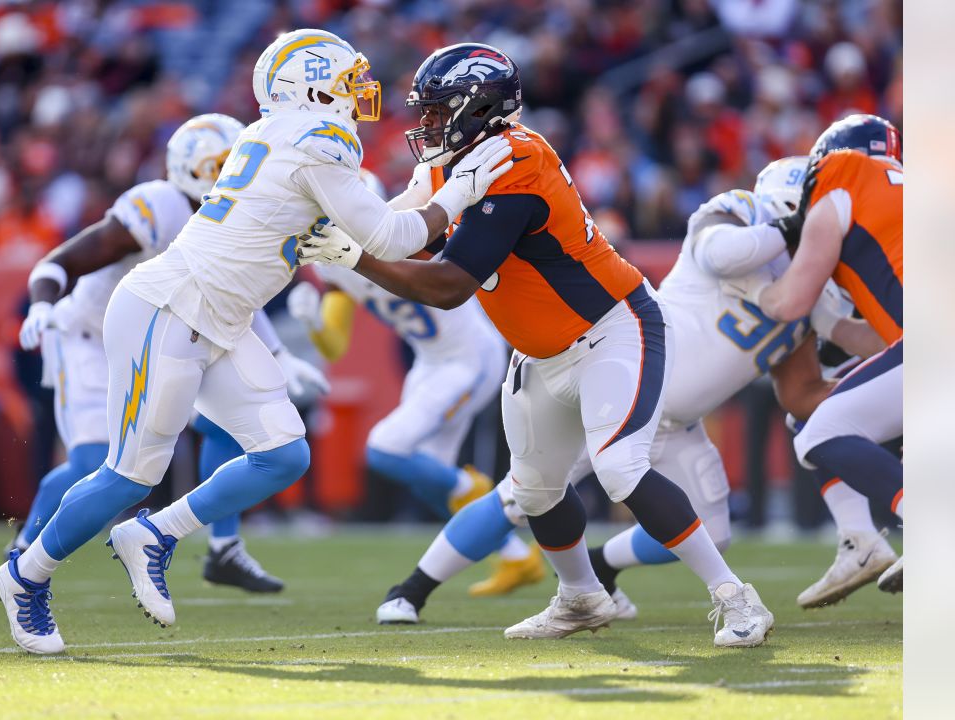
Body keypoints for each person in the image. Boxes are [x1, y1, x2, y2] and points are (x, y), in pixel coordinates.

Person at [0, 28, 514, 654]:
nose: (360, 92)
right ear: (312, 87)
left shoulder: (281, 135)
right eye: (348, 81)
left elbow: (381, 221)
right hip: (170, 306)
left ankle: (155, 536)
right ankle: (25, 575)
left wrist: (436, 178)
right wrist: (461, 186)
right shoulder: (321, 142)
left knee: (284, 453)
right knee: (129, 473)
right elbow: (397, 239)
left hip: (220, 316)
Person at [300, 43, 773, 647]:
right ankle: (579, 598)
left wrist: (352, 258)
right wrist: (328, 226)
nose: (427, 125)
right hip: (542, 351)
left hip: (613, 330)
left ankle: (737, 599)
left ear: (481, 108)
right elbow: (399, 232)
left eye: (440, 110)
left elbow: (449, 285)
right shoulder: (457, 161)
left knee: (620, 467)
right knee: (535, 488)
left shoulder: (515, 163)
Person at [372, 155, 881, 623]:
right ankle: (411, 588)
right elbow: (728, 255)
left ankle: (600, 567)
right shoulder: (733, 217)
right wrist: (792, 230)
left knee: (713, 532)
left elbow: (811, 374)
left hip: (679, 421)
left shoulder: (811, 288)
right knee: (525, 493)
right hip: (630, 375)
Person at [6, 114, 321, 593]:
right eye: (223, 163)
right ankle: (25, 552)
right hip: (94, 338)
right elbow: (59, 262)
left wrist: (279, 352)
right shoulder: (159, 204)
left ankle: (224, 547)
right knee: (97, 463)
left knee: (224, 426)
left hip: (171, 336)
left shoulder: (231, 217)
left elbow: (228, 296)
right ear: (191, 167)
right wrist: (42, 304)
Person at [289, 170, 541, 596]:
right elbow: (334, 346)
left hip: (469, 358)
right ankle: (517, 558)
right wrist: (313, 323)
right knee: (429, 480)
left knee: (387, 449)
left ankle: (469, 487)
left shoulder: (407, 234)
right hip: (430, 363)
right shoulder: (334, 265)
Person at [723, 114, 904, 594]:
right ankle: (860, 539)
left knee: (820, 432)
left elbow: (790, 302)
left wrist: (749, 290)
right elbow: (881, 339)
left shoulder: (839, 174)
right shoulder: (898, 194)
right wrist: (828, 322)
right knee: (813, 416)